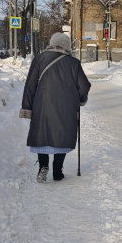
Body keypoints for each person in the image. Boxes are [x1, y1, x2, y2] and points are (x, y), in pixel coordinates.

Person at [21, 33, 90, 183]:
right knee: (62, 135)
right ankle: (58, 172)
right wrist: (81, 100)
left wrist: (27, 107)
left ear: (51, 43)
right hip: (66, 106)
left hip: (42, 104)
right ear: (67, 47)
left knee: (42, 134)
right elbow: (84, 85)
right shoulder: (73, 63)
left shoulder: (39, 59)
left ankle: (43, 167)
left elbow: (30, 85)